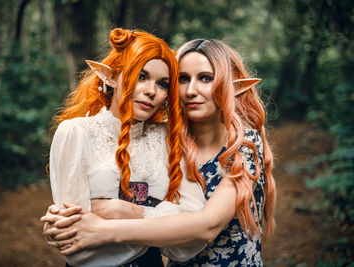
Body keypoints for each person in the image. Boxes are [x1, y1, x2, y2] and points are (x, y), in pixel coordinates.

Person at [42, 39, 276, 266]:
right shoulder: (175, 139)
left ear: (229, 85)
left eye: (205, 78)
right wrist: (62, 225)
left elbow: (205, 226)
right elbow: (74, 238)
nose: (191, 90)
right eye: (183, 79)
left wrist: (113, 219)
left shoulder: (242, 144)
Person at [42, 29, 208, 267]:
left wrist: (124, 211)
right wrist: (163, 223)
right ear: (110, 77)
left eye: (162, 84)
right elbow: (75, 246)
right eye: (141, 76)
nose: (151, 91)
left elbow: (191, 238)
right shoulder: (76, 132)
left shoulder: (167, 138)